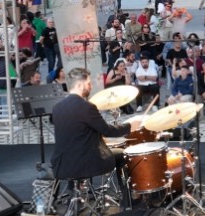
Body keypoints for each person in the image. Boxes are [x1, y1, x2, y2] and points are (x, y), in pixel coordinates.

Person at [50, 68, 142, 208]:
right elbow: (108, 131)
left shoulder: (56, 108)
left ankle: (74, 195)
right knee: (123, 154)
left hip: (61, 165)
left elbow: (74, 132)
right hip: (86, 164)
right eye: (88, 83)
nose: (91, 86)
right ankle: (127, 201)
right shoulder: (87, 107)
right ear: (79, 85)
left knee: (74, 151)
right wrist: (130, 126)